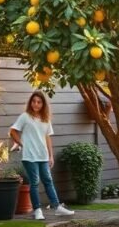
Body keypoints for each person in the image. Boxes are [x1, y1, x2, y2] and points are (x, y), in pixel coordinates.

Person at [9, 92, 75, 220]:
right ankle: (37, 210)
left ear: (43, 104)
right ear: (30, 102)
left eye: (39, 102)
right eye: (34, 101)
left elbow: (48, 137)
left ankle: (57, 207)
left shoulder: (46, 119)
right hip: (29, 156)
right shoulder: (25, 116)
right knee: (34, 182)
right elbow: (12, 131)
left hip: (43, 155)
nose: (36, 104)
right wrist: (22, 143)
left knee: (48, 181)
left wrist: (51, 156)